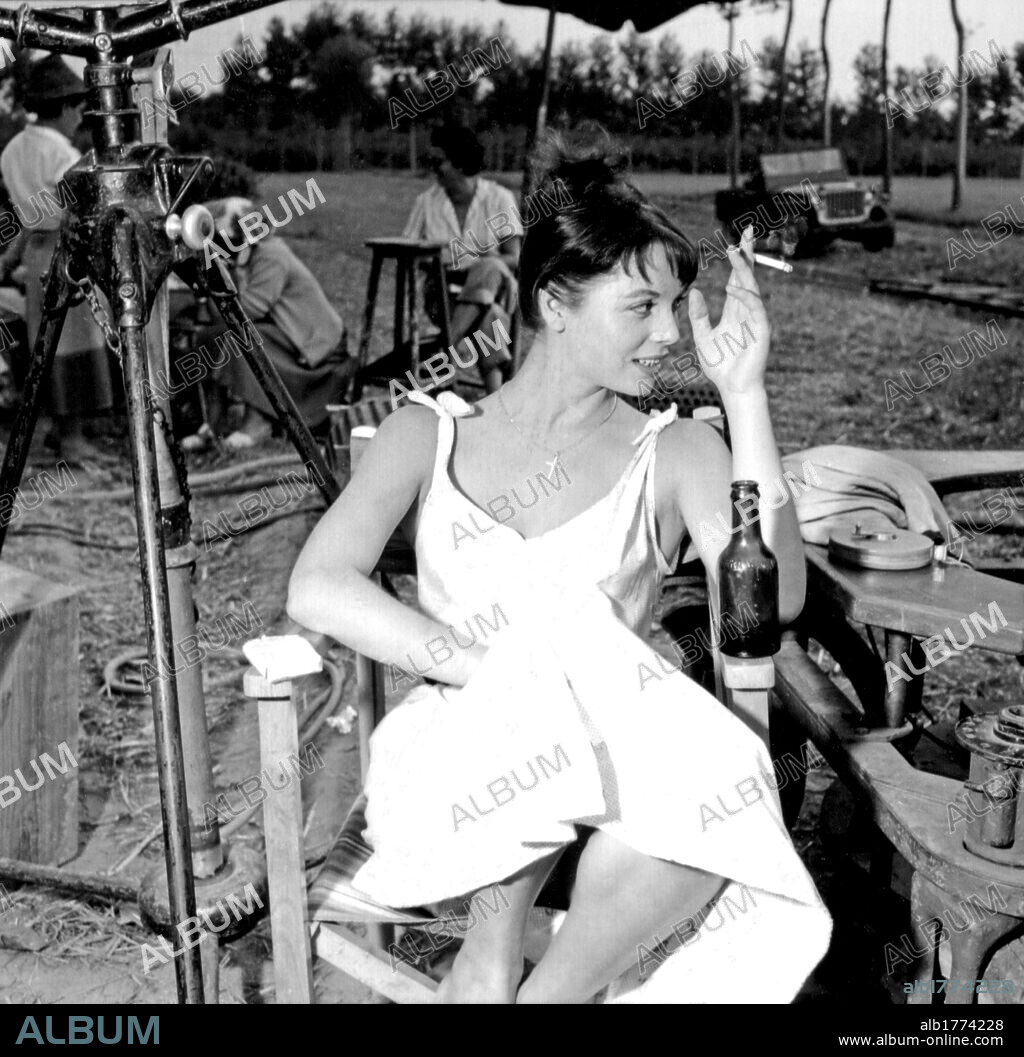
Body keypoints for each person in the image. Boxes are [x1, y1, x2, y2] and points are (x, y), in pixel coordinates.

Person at [287, 139, 830, 1003]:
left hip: (622, 769)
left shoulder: (676, 449)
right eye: (642, 305)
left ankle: (539, 993)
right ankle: (491, 953)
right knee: (534, 688)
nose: (670, 333)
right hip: (464, 770)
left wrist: (745, 395)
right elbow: (318, 585)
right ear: (554, 303)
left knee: (720, 780)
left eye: (675, 305)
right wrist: (488, 667)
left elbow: (776, 597)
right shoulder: (427, 433)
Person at [0, 55, 112, 465]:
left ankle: (57, 429)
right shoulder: (62, 154)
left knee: (46, 345)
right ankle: (72, 438)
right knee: (74, 345)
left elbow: (27, 216)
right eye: (78, 110)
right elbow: (80, 208)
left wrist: (9, 259)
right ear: (64, 107)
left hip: (36, 254)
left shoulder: (12, 149)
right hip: (67, 252)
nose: (79, 119)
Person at [181, 197, 350, 450]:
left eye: (227, 239)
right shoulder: (250, 255)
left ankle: (257, 421)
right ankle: (214, 424)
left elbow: (248, 310)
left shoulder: (271, 255)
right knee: (209, 337)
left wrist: (217, 284)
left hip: (314, 345)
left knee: (240, 340)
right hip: (286, 332)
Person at [403, 124, 521, 394]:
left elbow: (515, 258)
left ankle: (446, 347)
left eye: (438, 161)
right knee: (489, 315)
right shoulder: (426, 202)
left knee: (490, 266)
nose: (432, 169)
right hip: (443, 294)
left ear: (459, 162)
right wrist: (439, 261)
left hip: (495, 287)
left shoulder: (499, 198)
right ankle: (496, 399)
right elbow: (408, 253)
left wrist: (482, 261)